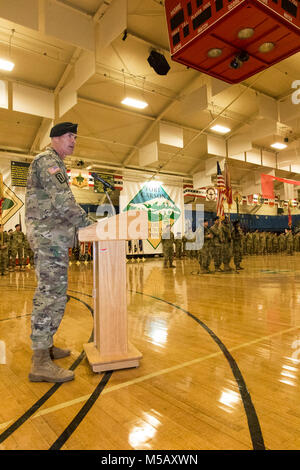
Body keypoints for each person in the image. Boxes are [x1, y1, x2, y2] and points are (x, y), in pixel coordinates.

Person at [25, 122, 92, 383]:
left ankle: (46, 345)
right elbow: (64, 200)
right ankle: (40, 361)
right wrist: (88, 224)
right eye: (68, 136)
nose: (73, 140)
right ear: (54, 138)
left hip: (54, 238)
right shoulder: (48, 161)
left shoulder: (55, 162)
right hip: (48, 238)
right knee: (50, 294)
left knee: (55, 294)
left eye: (75, 136)